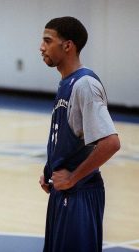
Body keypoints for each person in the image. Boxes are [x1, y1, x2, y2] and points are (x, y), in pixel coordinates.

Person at [38, 16, 120, 252]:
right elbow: (68, 138)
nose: (41, 47)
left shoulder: (85, 85)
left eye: (47, 40)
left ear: (67, 45)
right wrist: (49, 171)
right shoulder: (67, 83)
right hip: (63, 193)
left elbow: (111, 143)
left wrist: (72, 177)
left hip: (79, 196)